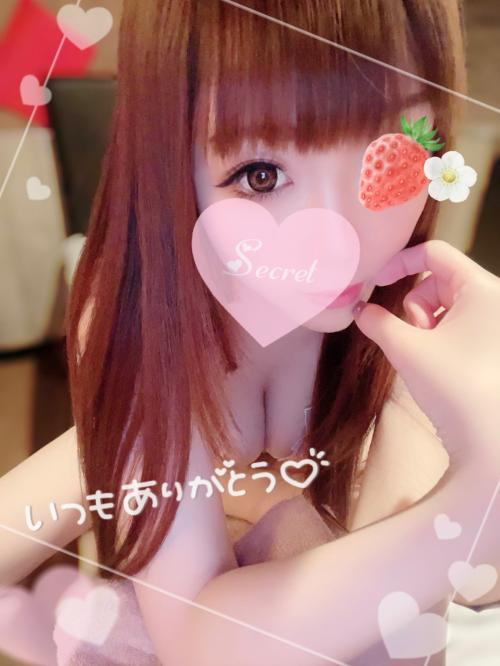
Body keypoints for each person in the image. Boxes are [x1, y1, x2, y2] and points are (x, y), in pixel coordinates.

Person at [0, 1, 499, 664]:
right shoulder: (157, 327)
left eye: (393, 150)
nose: (341, 241)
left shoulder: (414, 330)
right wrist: (467, 514)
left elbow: (445, 602)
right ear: (174, 172)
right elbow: (197, 639)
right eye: (261, 176)